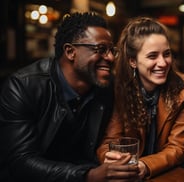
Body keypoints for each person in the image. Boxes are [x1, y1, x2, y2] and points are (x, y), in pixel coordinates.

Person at [0, 12, 139, 182]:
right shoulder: (23, 86)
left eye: (112, 51)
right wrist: (88, 176)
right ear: (70, 51)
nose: (110, 58)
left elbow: (108, 140)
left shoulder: (108, 86)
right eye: (101, 49)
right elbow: (21, 162)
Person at [96, 17, 184, 180]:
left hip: (167, 173)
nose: (163, 63)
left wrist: (145, 165)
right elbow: (109, 141)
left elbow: (179, 147)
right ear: (133, 61)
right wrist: (109, 157)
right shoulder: (117, 88)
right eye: (152, 56)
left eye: (167, 54)